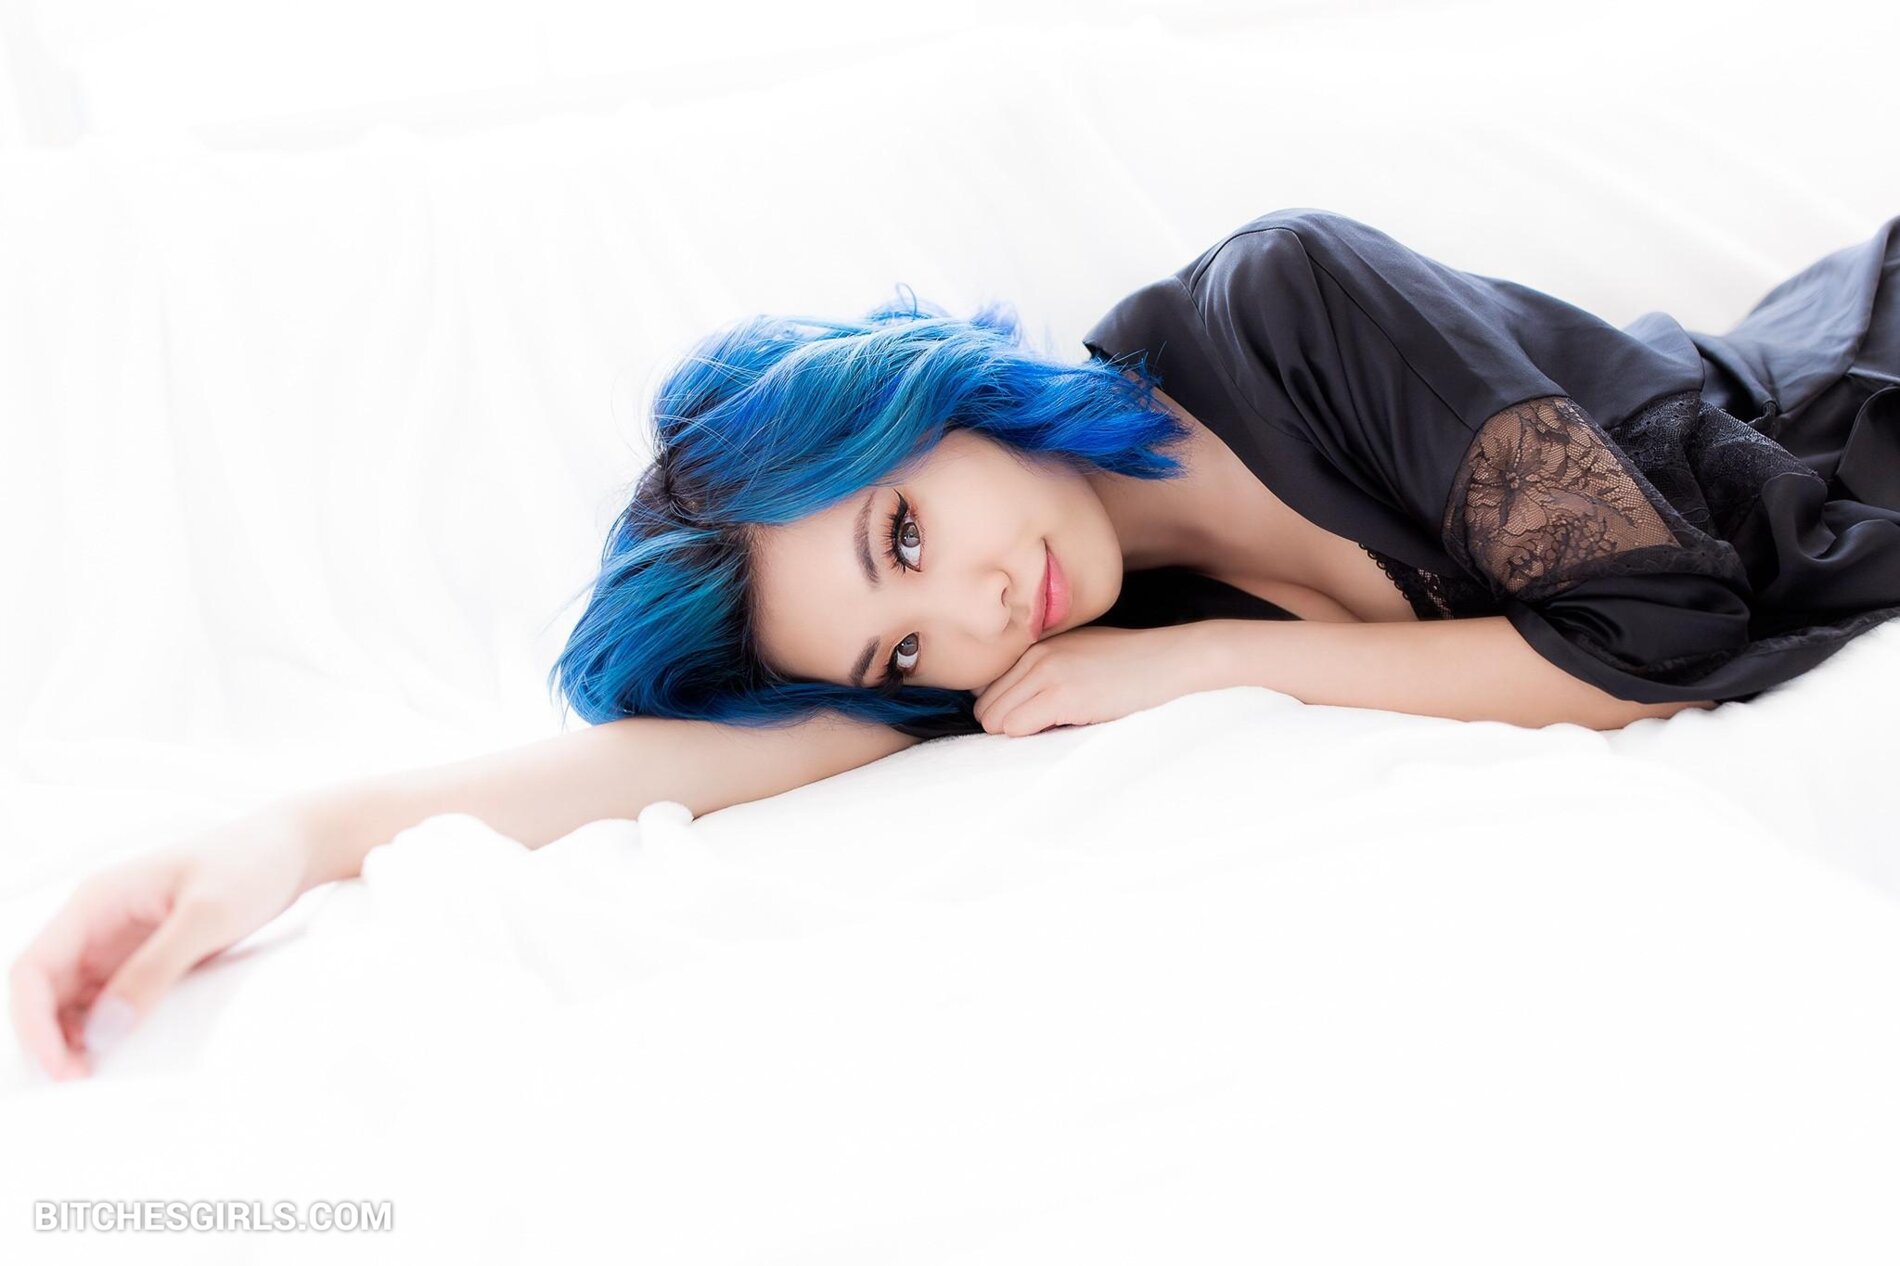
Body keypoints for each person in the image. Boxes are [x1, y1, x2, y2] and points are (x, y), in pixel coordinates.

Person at [13, 207, 1900, 1080]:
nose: (971, 620)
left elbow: (1662, 628)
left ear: (927, 402)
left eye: (902, 535)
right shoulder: (1066, 633)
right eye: (901, 651)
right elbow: (668, 768)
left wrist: (1219, 666)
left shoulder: (1291, 302)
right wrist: (279, 840)